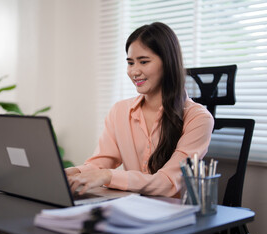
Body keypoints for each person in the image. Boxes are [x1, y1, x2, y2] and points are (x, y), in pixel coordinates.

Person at [66, 22, 214, 198]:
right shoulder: (120, 111)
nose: (134, 71)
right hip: (133, 208)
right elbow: (99, 164)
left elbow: (168, 183)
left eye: (143, 61)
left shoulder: (198, 118)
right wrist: (71, 172)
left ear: (167, 62)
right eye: (130, 63)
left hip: (176, 215)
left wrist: (108, 176)